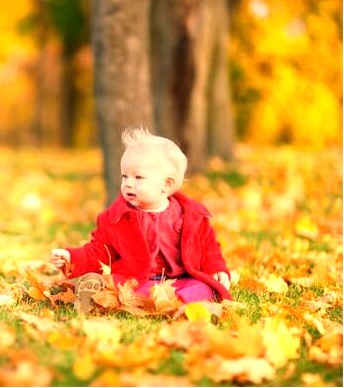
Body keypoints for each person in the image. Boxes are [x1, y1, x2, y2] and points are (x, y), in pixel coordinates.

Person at [50, 127, 232, 313]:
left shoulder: (191, 216)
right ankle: (95, 291)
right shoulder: (116, 218)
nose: (128, 183)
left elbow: (209, 247)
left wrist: (217, 268)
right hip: (136, 280)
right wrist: (72, 257)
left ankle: (183, 303)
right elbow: (99, 251)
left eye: (138, 177)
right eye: (124, 176)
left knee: (205, 288)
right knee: (116, 286)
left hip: (179, 281)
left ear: (166, 184)